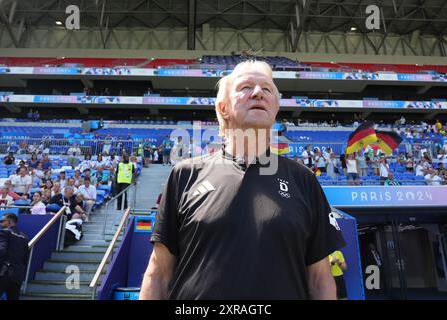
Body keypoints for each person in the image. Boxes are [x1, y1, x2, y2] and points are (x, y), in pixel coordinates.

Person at [140, 60, 345, 300]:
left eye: (267, 89)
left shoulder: (304, 180)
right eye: (246, 87)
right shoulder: (184, 175)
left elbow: (320, 279)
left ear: (275, 108)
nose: (258, 92)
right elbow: (158, 274)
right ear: (223, 107)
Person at [0, 213, 29, 300]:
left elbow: (1, 251)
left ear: (10, 222)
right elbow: (25, 259)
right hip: (17, 277)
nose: (0, 224)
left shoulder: (4, 232)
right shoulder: (24, 237)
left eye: (2, 221)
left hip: (3, 274)